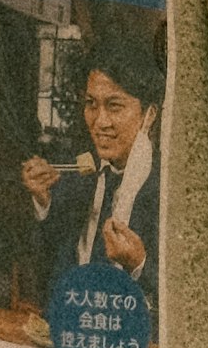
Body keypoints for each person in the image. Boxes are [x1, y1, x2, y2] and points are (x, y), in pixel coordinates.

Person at [23, 38, 161, 310]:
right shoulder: (78, 171)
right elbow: (45, 263)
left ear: (148, 115)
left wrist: (139, 263)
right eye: (91, 104)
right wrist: (42, 202)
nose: (100, 122)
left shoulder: (164, 187)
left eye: (114, 106)